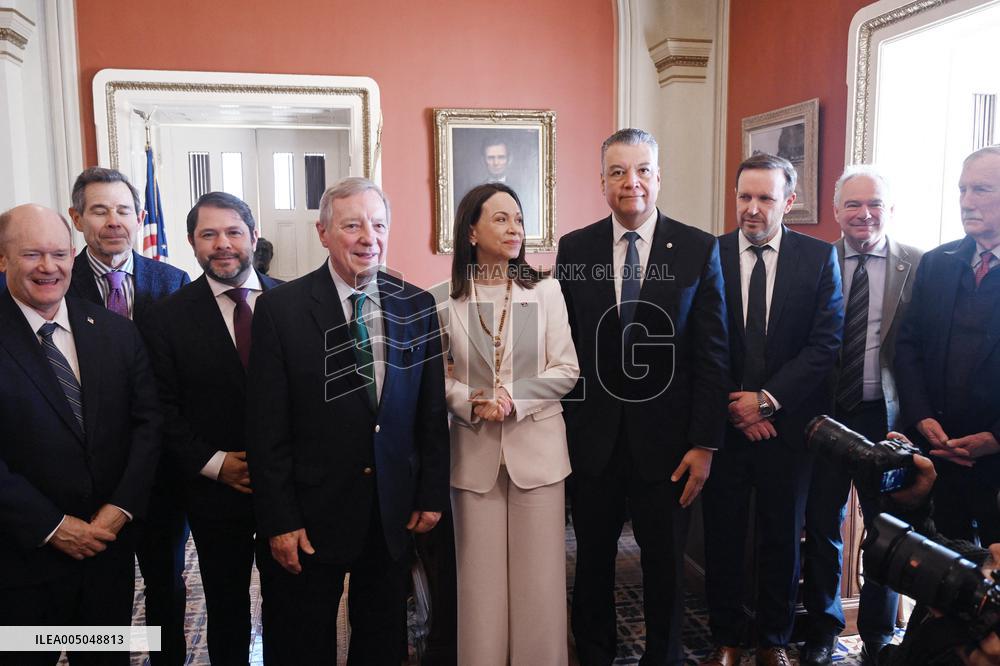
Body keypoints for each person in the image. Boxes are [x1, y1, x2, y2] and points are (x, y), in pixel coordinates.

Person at [245, 177, 450, 664]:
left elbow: (429, 411)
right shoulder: (279, 310)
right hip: (312, 514)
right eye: (352, 225)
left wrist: (430, 494)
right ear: (323, 232)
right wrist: (280, 520)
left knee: (381, 640)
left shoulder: (417, 305)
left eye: (378, 225)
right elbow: (266, 427)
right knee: (304, 642)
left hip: (389, 510)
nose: (368, 238)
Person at [556, 128, 730, 665]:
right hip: (594, 443)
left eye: (642, 171)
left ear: (659, 177)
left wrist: (704, 443)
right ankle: (596, 655)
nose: (630, 182)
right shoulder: (576, 248)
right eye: (617, 172)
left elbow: (712, 354)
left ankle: (663, 657)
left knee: (664, 568)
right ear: (602, 181)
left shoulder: (698, 248)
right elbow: (564, 346)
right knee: (591, 564)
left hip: (671, 447)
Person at [0, 204, 160, 666]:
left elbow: (148, 425)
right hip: (20, 565)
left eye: (58, 253)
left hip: (104, 554)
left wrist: (120, 508)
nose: (48, 267)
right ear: (3, 258)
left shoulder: (116, 332)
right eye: (32, 254)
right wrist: (52, 526)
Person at [701, 153, 844, 666]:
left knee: (783, 537)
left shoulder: (818, 258)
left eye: (765, 198)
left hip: (788, 427)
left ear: (789, 201)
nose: (752, 209)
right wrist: (735, 405)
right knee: (723, 535)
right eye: (745, 196)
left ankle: (773, 640)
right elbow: (700, 341)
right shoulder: (710, 254)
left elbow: (825, 344)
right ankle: (726, 637)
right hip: (725, 425)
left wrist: (765, 402)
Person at [141, 192, 282, 665]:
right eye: (209, 234)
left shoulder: (294, 302)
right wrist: (217, 464)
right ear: (192, 243)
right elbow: (161, 407)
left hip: (288, 487)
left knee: (290, 605)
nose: (222, 244)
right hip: (214, 491)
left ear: (253, 236)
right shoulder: (166, 317)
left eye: (233, 232)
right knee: (226, 608)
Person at [441, 182, 579, 663]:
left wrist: (513, 400)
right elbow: (434, 378)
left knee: (540, 585)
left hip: (538, 454)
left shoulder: (544, 291)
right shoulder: (448, 299)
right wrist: (470, 400)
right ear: (471, 231)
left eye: (518, 219)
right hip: (473, 454)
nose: (514, 228)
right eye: (500, 219)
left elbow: (566, 369)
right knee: (478, 588)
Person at [67, 166, 191, 665]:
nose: (113, 221)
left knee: (167, 584)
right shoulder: (60, 280)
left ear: (140, 218)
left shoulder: (172, 281)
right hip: (90, 475)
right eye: (99, 210)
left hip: (161, 472)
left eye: (123, 210)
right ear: (77, 218)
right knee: (102, 594)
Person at [801, 166, 924, 665]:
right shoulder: (816, 263)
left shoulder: (918, 265)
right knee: (822, 525)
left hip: (886, 420)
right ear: (836, 212)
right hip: (828, 417)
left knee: (886, 529)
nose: (864, 214)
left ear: (890, 209)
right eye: (852, 204)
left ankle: (877, 634)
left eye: (874, 203)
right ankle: (823, 630)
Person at [894, 145, 1000, 547]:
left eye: (981, 190)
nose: (966, 202)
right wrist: (921, 416)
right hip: (937, 454)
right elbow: (909, 346)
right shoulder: (937, 262)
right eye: (962, 189)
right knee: (937, 570)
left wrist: (995, 438)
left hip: (995, 460)